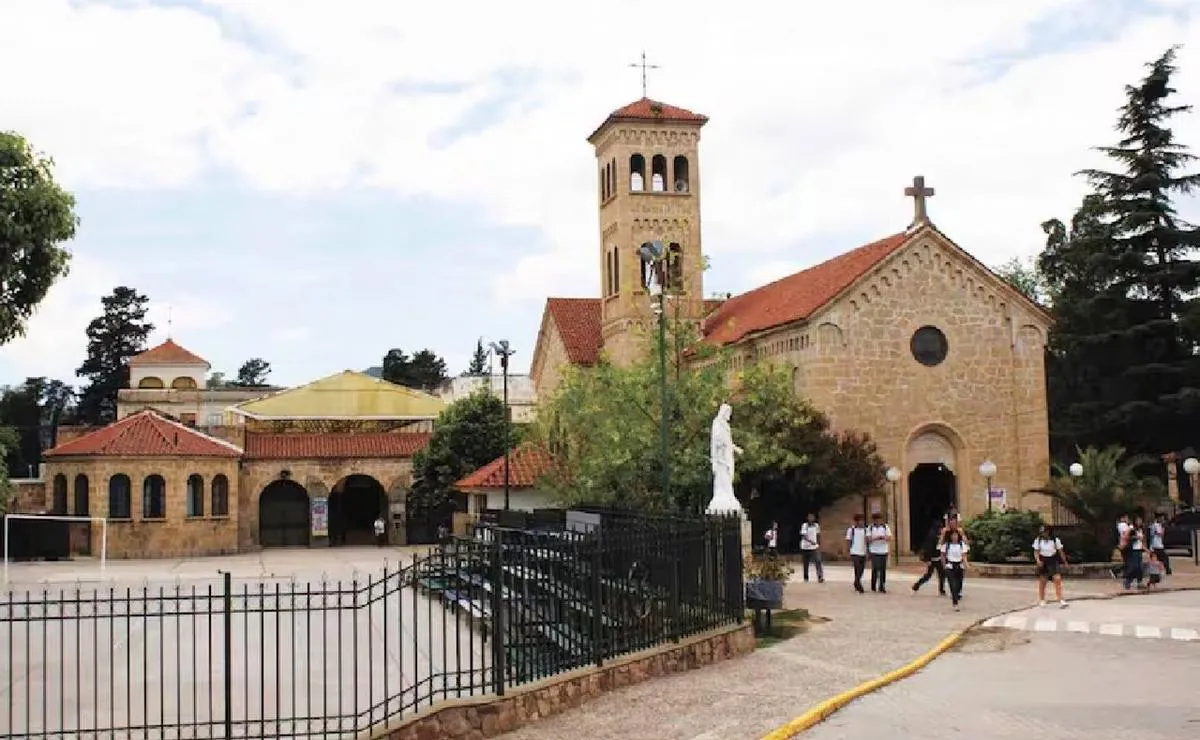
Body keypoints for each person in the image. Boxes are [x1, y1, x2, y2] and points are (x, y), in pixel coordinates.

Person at [1033, 524, 1069, 608]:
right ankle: (1042, 599)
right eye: (1041, 532)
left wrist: (1065, 562)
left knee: (1057, 579)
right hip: (1043, 560)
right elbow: (1036, 552)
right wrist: (1038, 561)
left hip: (1053, 560)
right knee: (1043, 581)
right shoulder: (1038, 540)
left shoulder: (1055, 540)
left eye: (1044, 531)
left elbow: (1060, 551)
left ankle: (1060, 599)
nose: (1043, 533)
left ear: (1049, 531)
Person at [912, 519, 947, 596]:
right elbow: (929, 549)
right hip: (932, 559)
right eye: (940, 528)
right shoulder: (932, 536)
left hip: (938, 558)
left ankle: (941, 589)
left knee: (942, 574)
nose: (941, 530)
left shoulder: (938, 535)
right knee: (928, 575)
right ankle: (916, 585)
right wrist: (927, 559)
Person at [940, 528, 970, 610]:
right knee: (952, 585)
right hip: (950, 566)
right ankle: (955, 603)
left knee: (959, 584)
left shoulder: (961, 545)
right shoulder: (947, 545)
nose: (954, 537)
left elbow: (964, 556)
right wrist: (944, 565)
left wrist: (966, 564)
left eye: (956, 535)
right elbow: (943, 555)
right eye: (953, 535)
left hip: (959, 566)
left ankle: (956, 595)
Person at [867, 512, 891, 594]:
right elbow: (868, 539)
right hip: (874, 551)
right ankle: (873, 584)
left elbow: (889, 537)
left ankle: (882, 585)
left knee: (882, 569)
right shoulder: (870, 528)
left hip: (883, 550)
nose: (878, 521)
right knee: (876, 568)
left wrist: (884, 537)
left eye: (879, 519)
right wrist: (877, 538)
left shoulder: (885, 527)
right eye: (876, 520)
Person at [846, 514, 868, 594]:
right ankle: (859, 585)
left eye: (862, 521)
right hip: (855, 552)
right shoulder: (851, 530)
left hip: (863, 552)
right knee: (857, 569)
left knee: (861, 570)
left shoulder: (866, 530)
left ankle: (856, 582)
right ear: (856, 522)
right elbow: (848, 540)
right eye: (860, 521)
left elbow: (868, 541)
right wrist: (848, 550)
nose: (861, 522)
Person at [799, 513, 824, 583]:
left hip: (814, 547)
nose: (811, 519)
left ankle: (820, 576)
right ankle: (806, 577)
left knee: (818, 561)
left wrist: (818, 543)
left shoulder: (816, 525)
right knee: (806, 563)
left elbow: (818, 534)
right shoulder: (805, 525)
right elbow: (804, 536)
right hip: (805, 547)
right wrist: (811, 541)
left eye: (812, 517)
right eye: (809, 517)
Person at [1124, 516, 1146, 590]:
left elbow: (1142, 541)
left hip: (1139, 549)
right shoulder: (1131, 528)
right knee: (1134, 567)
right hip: (1133, 550)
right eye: (1138, 520)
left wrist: (1145, 549)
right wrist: (1135, 538)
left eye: (1140, 520)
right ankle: (1128, 581)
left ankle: (1139, 582)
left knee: (1140, 567)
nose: (1139, 522)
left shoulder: (1140, 529)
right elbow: (1126, 537)